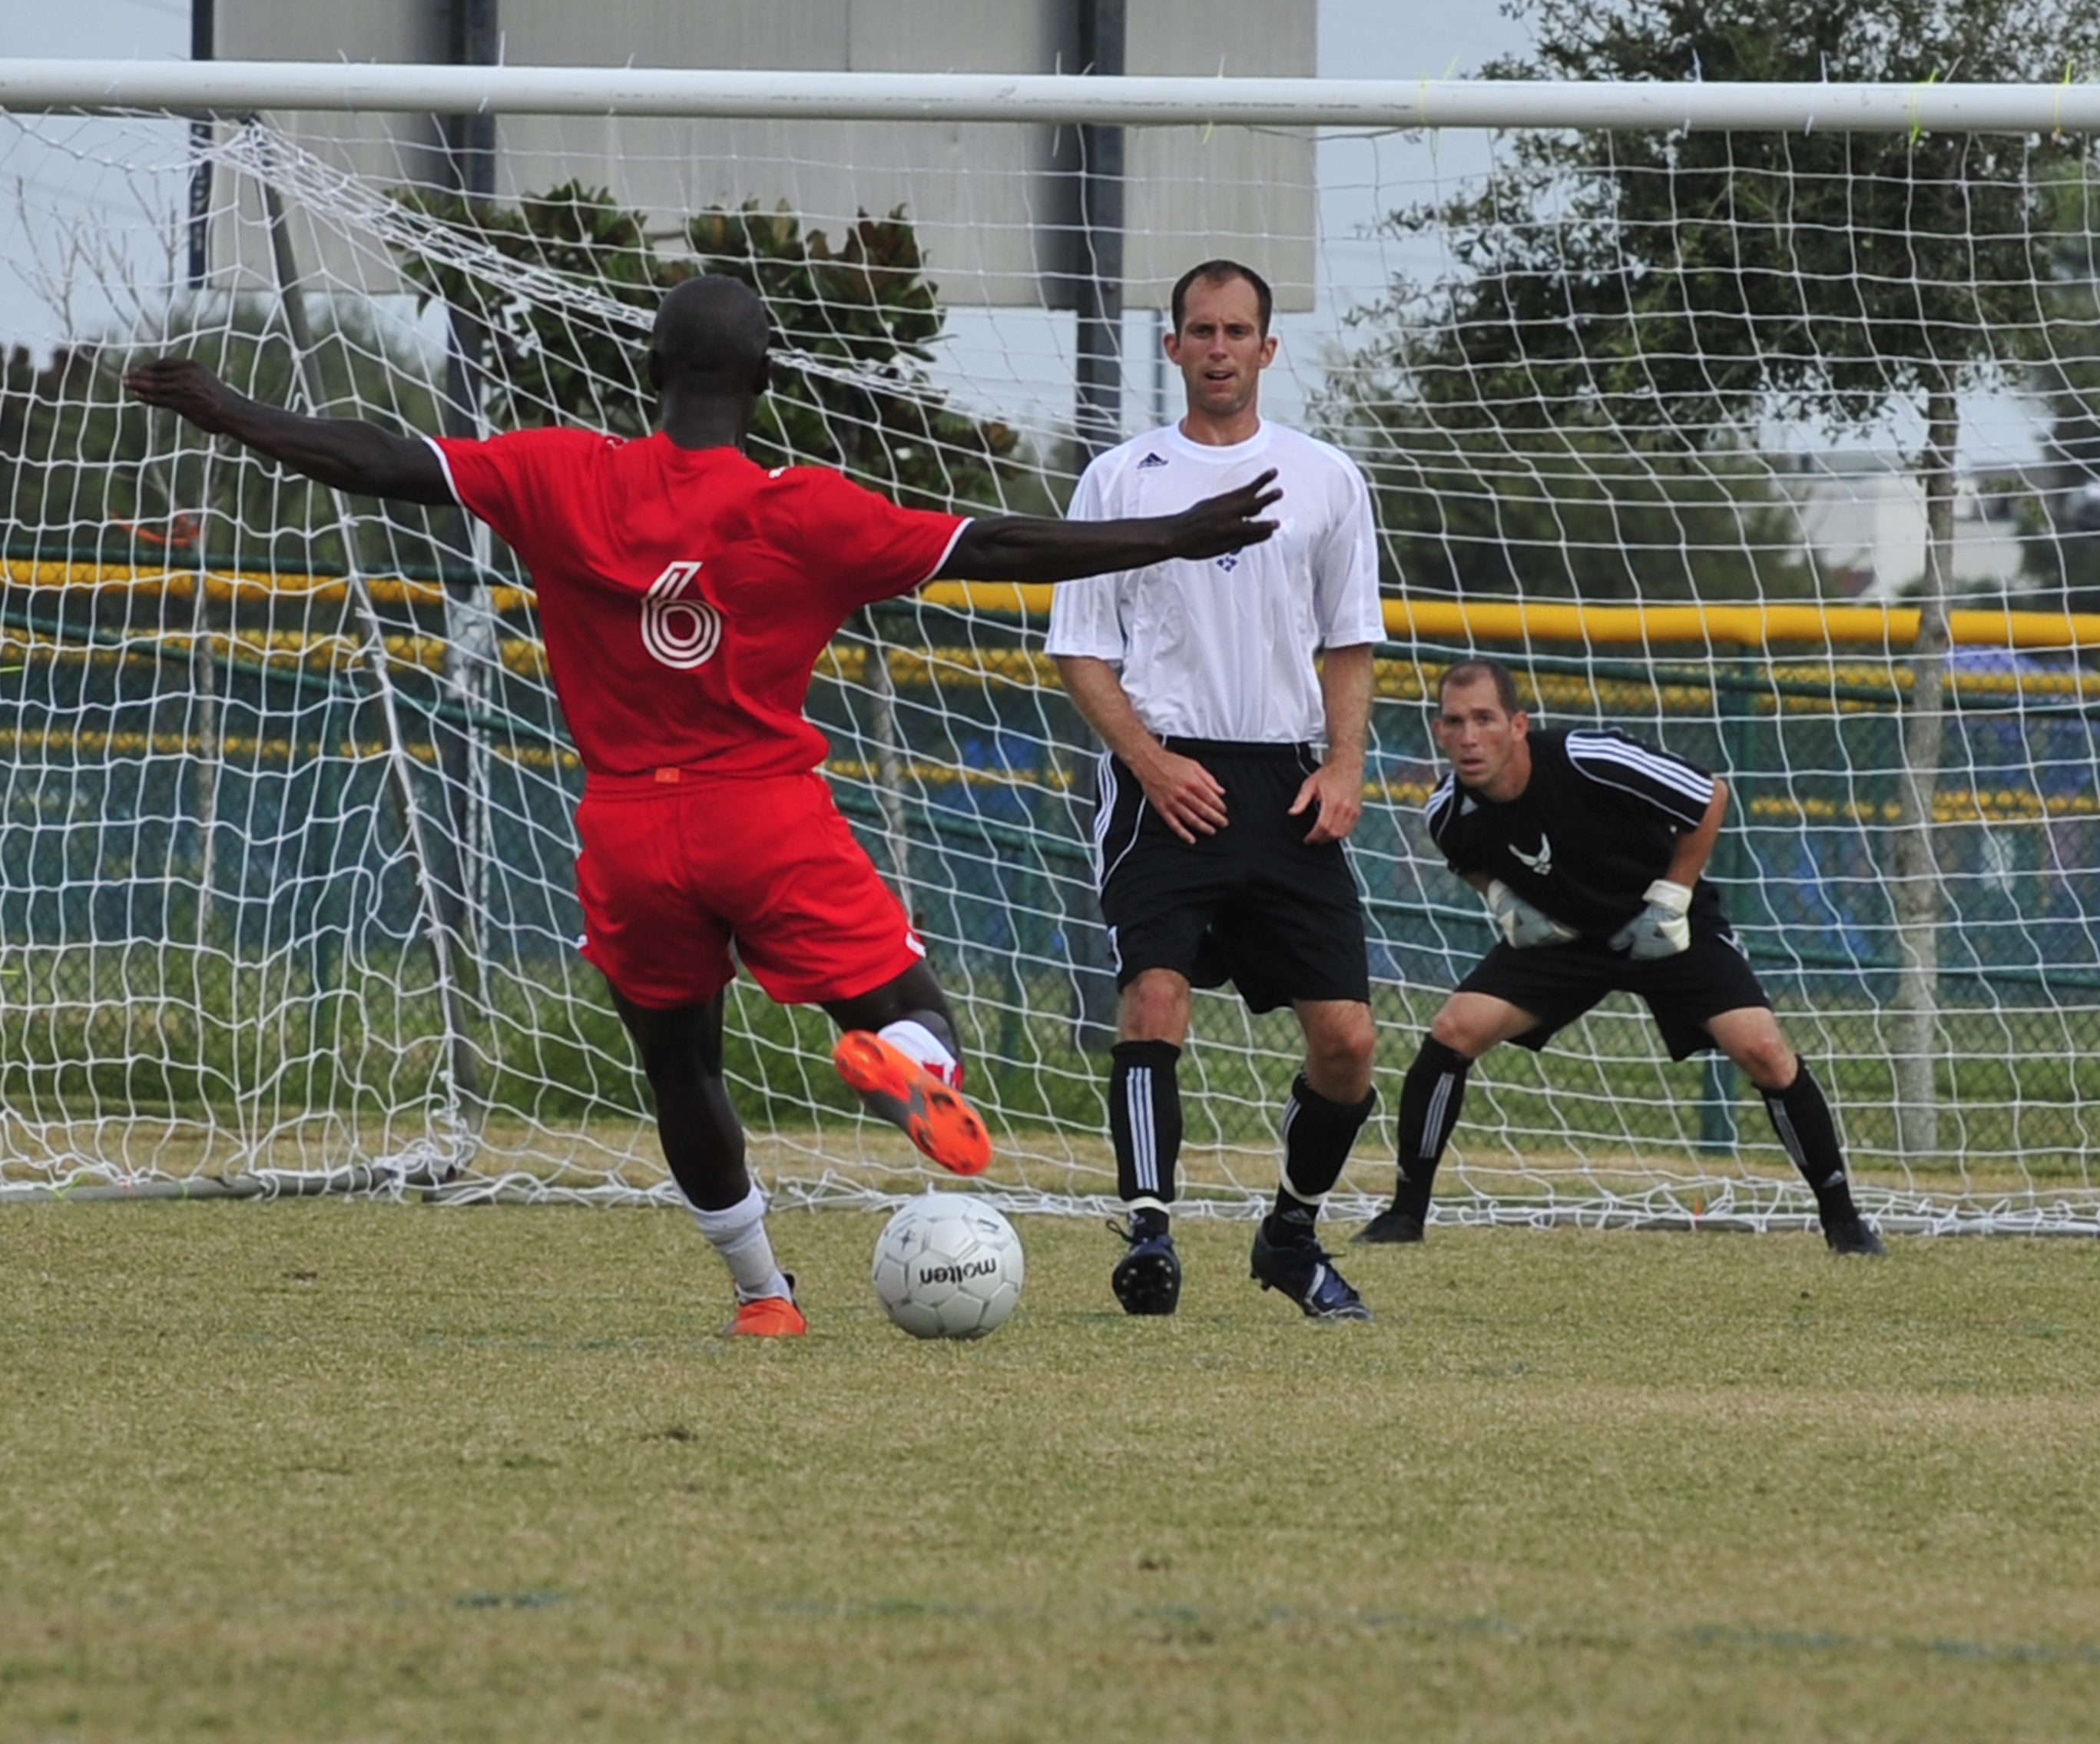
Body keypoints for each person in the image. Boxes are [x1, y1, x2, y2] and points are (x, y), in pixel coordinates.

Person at [126, 276, 1276, 1337]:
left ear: (648, 375)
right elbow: (999, 545)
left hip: (629, 825)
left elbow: (382, 458)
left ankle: (764, 1296)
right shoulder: (806, 509)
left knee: (683, 1068)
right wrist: (1166, 536)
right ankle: (909, 1067)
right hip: (762, 815)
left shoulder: (563, 473)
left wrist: (230, 408)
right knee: (914, 1007)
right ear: (765, 384)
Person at [1048, 258, 1384, 1322]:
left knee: (1349, 1041)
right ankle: (1148, 1236)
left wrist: (1343, 765)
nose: (1221, 348)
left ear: (1268, 349)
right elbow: (1082, 651)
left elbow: (1349, 642)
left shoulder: (1327, 476)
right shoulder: (1119, 479)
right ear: (1175, 348)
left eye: (1239, 330)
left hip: (1288, 784)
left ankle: (1291, 1236)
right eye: (1201, 330)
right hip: (1168, 778)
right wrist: (1150, 761)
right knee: (1154, 997)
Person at [1363, 657, 1882, 1257]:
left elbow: (1710, 795)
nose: (1469, 737)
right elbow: (1468, 860)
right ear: (1438, 731)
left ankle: (1843, 1221)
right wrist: (1501, 897)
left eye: (1484, 718)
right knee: (1454, 1031)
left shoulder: (1591, 757)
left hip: (1663, 923)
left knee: (1764, 1052)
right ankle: (1405, 1215)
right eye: (1454, 722)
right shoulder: (1447, 812)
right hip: (1565, 940)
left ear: (1518, 724)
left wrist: (1673, 895)